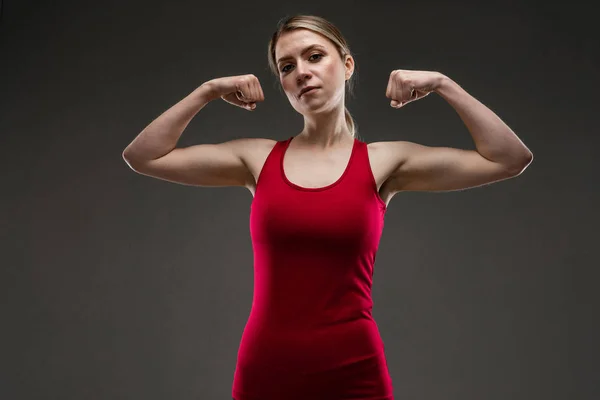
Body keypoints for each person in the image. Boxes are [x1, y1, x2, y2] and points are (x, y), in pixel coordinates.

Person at [122, 14, 533, 400]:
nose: (301, 71)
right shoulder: (257, 159)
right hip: (267, 370)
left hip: (355, 372)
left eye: (315, 56)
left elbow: (509, 158)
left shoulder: (383, 162)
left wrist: (443, 84)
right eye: (286, 67)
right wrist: (208, 91)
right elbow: (144, 156)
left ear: (348, 64)